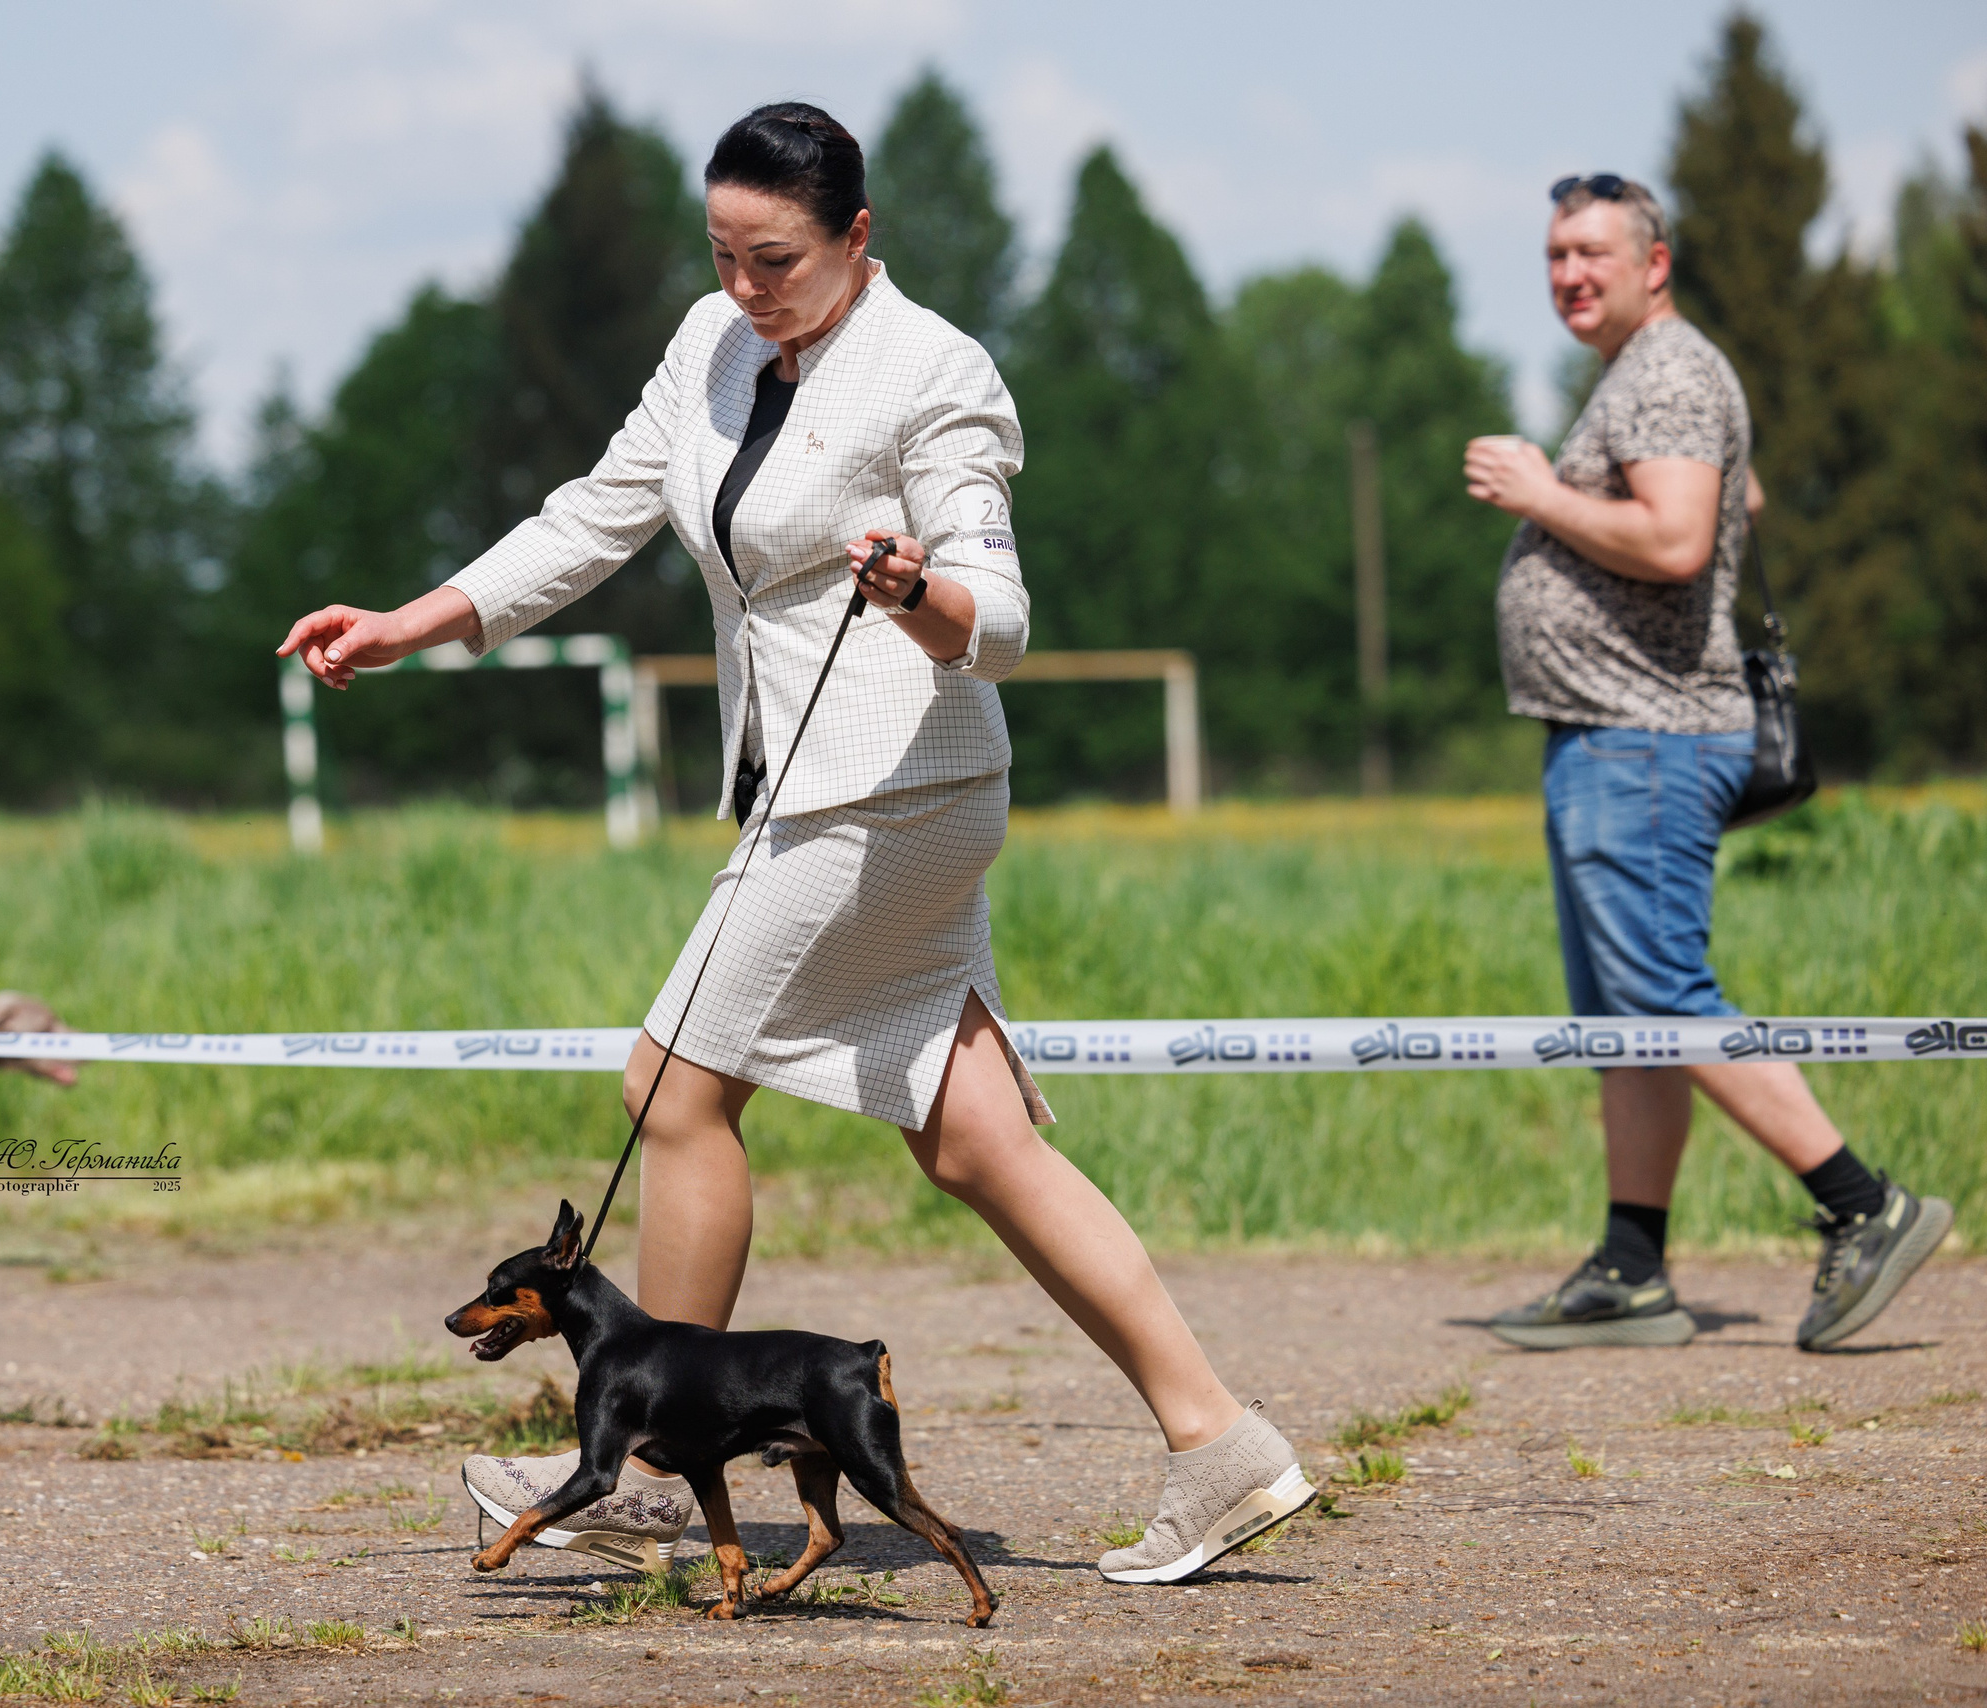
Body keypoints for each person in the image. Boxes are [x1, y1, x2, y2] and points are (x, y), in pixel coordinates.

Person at [280, 102, 1309, 1585]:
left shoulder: (936, 373)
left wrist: (920, 593)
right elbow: (591, 518)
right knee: (972, 1138)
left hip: (889, 794)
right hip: (806, 793)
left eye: (778, 259)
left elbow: (1002, 616)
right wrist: (411, 627)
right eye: (724, 253)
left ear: (857, 239)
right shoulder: (708, 344)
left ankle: (637, 1471)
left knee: (676, 1088)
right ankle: (1219, 1445)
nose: (747, 286)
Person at [1464, 174, 1951, 1353]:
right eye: (1554, 255)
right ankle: (1631, 1264)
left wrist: (1539, 493)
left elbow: (1681, 540)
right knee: (1623, 1018)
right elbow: (1742, 501)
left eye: (1591, 252)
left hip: (1645, 736)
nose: (1569, 273)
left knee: (1659, 1002)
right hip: (1613, 735)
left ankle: (1863, 1202)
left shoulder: (1669, 368)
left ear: (1654, 263)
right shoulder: (1653, 375)